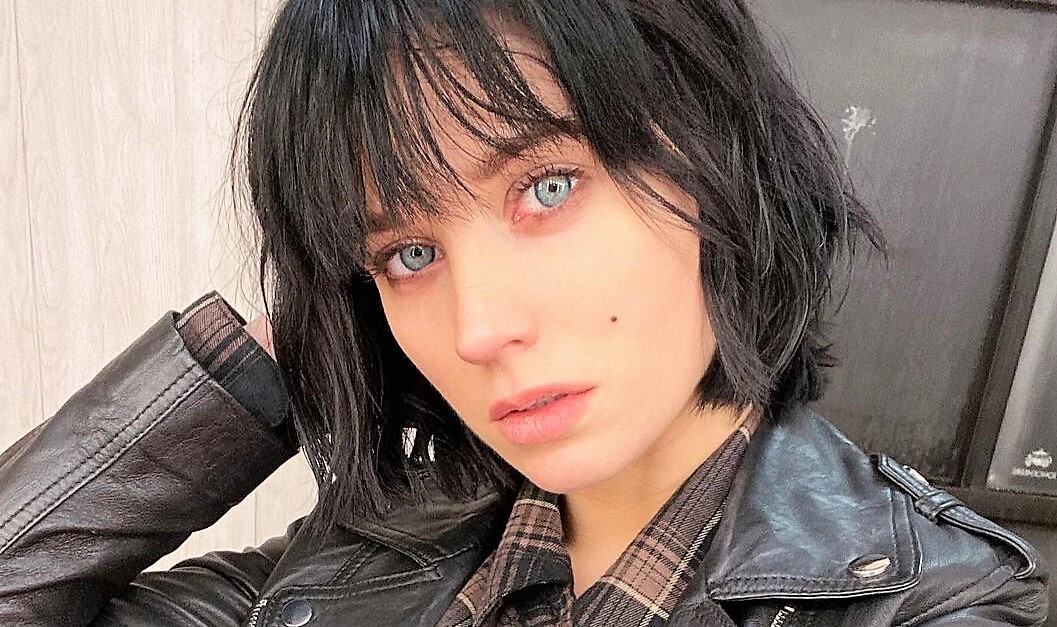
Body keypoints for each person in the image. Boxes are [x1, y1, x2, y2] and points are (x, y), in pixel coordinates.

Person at [0, 0, 1048, 625]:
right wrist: (256, 368)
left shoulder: (924, 602)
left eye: (546, 187)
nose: (476, 328)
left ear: (716, 162)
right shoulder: (358, 557)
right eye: (408, 254)